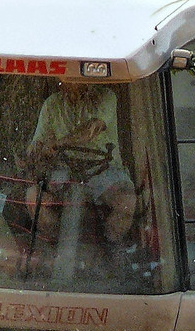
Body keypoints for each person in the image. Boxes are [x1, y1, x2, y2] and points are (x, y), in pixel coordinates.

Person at [22, 80, 136, 244]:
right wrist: (34, 153)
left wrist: (60, 143)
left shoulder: (106, 97)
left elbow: (91, 129)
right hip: (64, 172)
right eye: (67, 76)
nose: (70, 80)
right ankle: (55, 243)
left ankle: (112, 244)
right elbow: (38, 142)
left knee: (127, 201)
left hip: (104, 170)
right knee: (34, 197)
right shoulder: (52, 104)